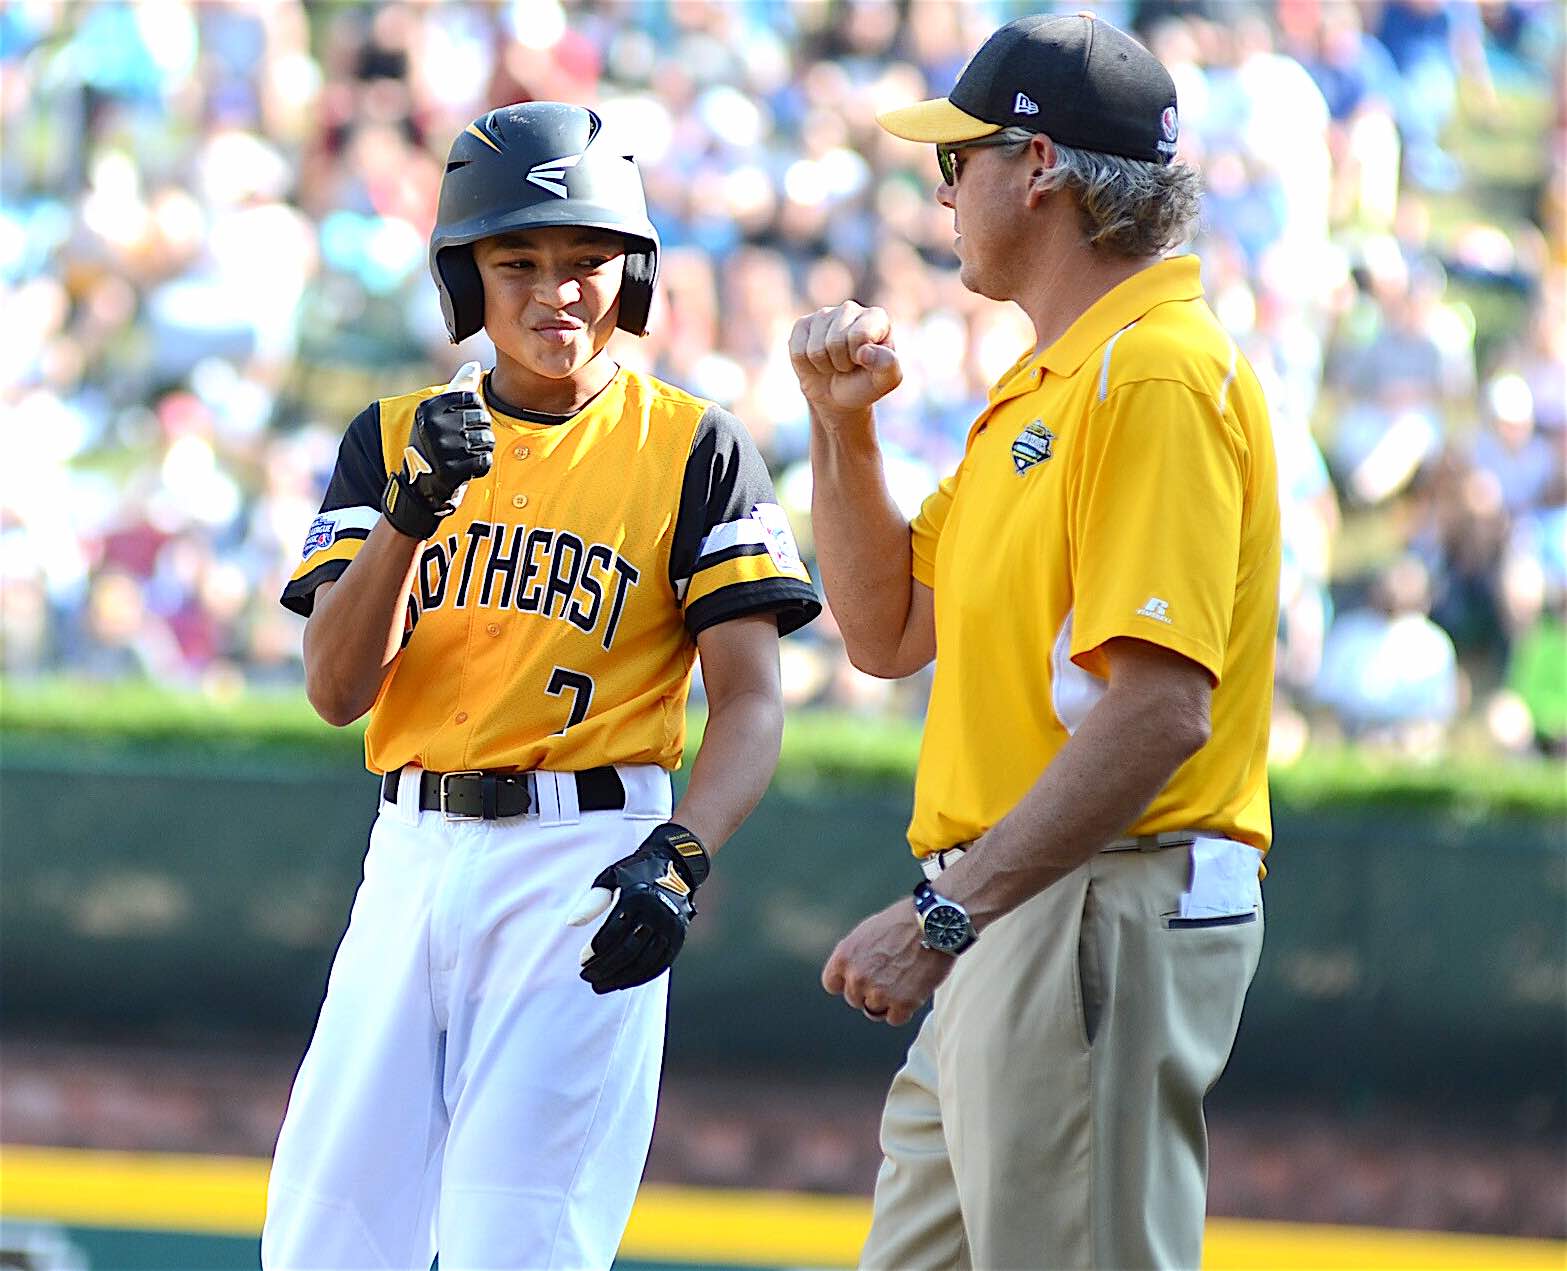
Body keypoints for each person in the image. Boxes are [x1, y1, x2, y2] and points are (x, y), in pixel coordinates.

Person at [264, 101, 820, 1270]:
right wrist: (411, 514)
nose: (554, 290)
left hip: (585, 855)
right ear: (466, 280)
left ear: (634, 273)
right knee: (323, 1239)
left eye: (586, 259)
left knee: (515, 1242)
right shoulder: (396, 433)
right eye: (516, 259)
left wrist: (681, 853)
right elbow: (333, 685)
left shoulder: (691, 444)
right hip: (410, 854)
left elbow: (753, 699)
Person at [790, 14, 1280, 1270]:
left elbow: (1160, 708)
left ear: (1039, 164)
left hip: (1088, 899)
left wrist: (945, 917)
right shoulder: (1051, 381)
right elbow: (886, 627)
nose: (942, 189)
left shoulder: (1156, 372)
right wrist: (842, 434)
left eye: (957, 161)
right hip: (1015, 909)